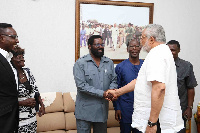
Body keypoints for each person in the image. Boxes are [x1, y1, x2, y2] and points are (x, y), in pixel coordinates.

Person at [106, 24, 184, 133]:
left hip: (158, 123)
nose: (141, 42)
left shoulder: (157, 54)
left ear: (151, 39)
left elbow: (159, 88)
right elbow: (141, 81)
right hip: (158, 121)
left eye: (142, 38)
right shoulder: (162, 52)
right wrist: (117, 92)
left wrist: (152, 123)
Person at [73, 35, 118, 133]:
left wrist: (111, 90)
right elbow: (81, 86)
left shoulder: (109, 62)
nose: (100, 46)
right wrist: (103, 93)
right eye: (97, 44)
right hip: (84, 112)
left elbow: (114, 80)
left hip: (101, 111)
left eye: (102, 44)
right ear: (89, 46)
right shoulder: (80, 63)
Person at [11, 45, 45, 132]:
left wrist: (42, 105)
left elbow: (35, 90)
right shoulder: (10, 75)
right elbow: (6, 100)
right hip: (18, 119)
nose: (23, 59)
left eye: (23, 57)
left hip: (31, 117)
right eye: (19, 57)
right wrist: (22, 103)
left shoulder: (28, 72)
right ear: (12, 59)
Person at [167, 40, 198, 133]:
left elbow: (190, 87)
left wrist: (189, 107)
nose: (170, 53)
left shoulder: (186, 66)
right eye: (168, 50)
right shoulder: (160, 66)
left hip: (180, 111)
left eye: (173, 50)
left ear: (179, 50)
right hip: (163, 111)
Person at [113, 39, 143, 133]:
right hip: (125, 108)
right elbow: (116, 88)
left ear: (140, 48)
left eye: (137, 46)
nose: (134, 49)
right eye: (131, 46)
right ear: (127, 49)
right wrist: (117, 108)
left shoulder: (145, 66)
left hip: (142, 109)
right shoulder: (120, 67)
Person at [0, 23, 19, 132]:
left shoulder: (9, 58)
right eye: (14, 37)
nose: (17, 41)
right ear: (2, 38)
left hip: (11, 118)